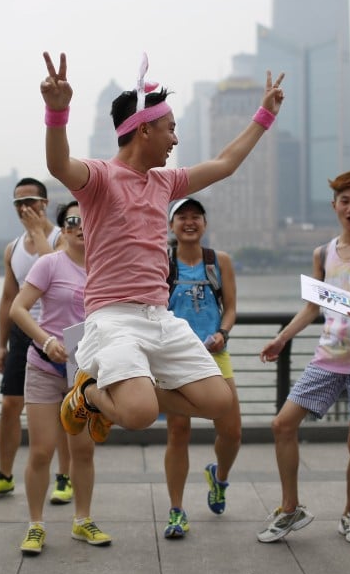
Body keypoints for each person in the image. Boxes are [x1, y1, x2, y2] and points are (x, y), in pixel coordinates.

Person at [39, 51, 283, 442]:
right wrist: (57, 113)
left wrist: (263, 117)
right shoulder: (100, 178)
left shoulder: (165, 182)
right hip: (113, 317)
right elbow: (59, 165)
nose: (176, 138)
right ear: (143, 130)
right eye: (170, 128)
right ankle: (87, 391)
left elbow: (224, 164)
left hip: (159, 316)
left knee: (220, 402)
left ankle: (112, 393)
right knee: (138, 415)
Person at [257, 170, 350, 545]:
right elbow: (312, 308)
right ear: (334, 206)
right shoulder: (323, 253)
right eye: (344, 201)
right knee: (283, 424)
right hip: (328, 357)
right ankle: (290, 508)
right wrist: (281, 338)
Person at [10, 201, 112, 555]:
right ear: (63, 229)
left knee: (83, 450)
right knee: (41, 451)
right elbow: (17, 309)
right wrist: (47, 340)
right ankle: (35, 524)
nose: (81, 226)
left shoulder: (106, 267)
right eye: (72, 221)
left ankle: (82, 520)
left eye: (87, 219)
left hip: (84, 370)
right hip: (44, 365)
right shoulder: (49, 263)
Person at [0, 178, 72, 505]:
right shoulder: (12, 248)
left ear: (44, 203)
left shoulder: (63, 238)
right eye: (17, 203)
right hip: (23, 331)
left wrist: (40, 235)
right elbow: (7, 298)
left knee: (66, 409)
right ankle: (3, 475)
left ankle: (65, 477)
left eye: (30, 200)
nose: (24, 208)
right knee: (9, 404)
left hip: (58, 330)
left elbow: (60, 272)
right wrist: (1, 344)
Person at [162, 197, 241, 539]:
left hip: (213, 353)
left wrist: (223, 332)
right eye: (182, 217)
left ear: (205, 224)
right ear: (171, 225)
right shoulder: (163, 262)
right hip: (175, 355)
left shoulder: (218, 261)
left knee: (232, 430)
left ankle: (219, 477)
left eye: (196, 217)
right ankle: (177, 510)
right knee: (178, 431)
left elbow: (232, 307)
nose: (189, 222)